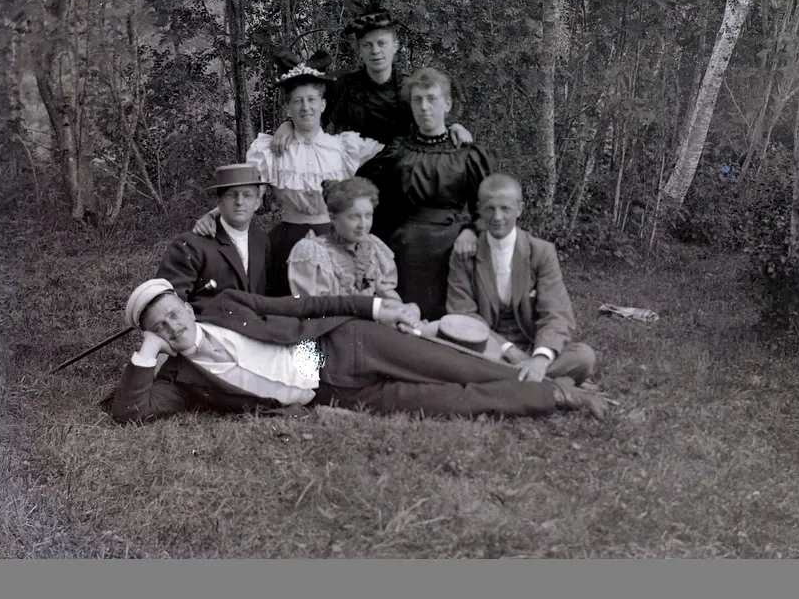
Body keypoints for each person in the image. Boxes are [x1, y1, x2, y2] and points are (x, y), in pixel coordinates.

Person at [103, 277, 611, 424]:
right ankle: (558, 395)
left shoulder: (227, 303)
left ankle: (563, 389)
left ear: (187, 307)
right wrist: (145, 357)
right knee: (455, 403)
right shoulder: (181, 381)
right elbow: (128, 412)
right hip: (333, 394)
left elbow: (304, 303)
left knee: (460, 366)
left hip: (342, 344)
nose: (172, 325)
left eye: (173, 313)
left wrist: (372, 308)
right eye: (158, 328)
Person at [269, 0, 473, 240]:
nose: (376, 51)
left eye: (382, 43)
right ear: (360, 51)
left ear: (395, 46)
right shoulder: (343, 87)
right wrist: (288, 125)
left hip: (404, 187)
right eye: (367, 45)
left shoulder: (411, 88)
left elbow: (430, 121)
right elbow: (311, 117)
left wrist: (453, 128)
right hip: (358, 185)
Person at [192, 54, 385, 294]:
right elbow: (249, 191)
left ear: (323, 105)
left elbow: (389, 138)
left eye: (312, 99)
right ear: (289, 107)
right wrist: (212, 216)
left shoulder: (344, 148)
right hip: (287, 242)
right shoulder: (272, 150)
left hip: (337, 237)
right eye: (297, 101)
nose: (306, 107)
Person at [358, 66, 492, 324]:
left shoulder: (466, 153)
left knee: (449, 319)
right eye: (418, 100)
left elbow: (486, 205)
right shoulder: (398, 150)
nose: (425, 107)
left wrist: (471, 231)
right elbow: (365, 190)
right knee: (408, 319)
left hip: (453, 244)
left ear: (447, 104)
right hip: (405, 245)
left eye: (432, 99)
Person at [446, 174, 597, 385]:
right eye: (490, 208)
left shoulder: (541, 252)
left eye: (505, 208)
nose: (497, 217)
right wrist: (509, 351)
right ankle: (545, 384)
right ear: (479, 209)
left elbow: (556, 314)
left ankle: (507, 380)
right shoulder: (464, 255)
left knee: (583, 356)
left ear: (520, 208)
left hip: (532, 344)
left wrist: (540, 359)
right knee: (452, 355)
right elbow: (463, 315)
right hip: (488, 346)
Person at [158, 164, 274, 301]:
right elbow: (169, 304)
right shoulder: (189, 246)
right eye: (232, 195)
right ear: (219, 202)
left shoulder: (262, 242)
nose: (239, 202)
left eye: (247, 195)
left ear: (257, 203)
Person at [287, 177, 399, 302]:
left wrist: (404, 310)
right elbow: (314, 307)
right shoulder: (313, 252)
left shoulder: (374, 247)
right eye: (354, 217)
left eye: (368, 216)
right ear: (333, 218)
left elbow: (387, 295)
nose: (363, 225)